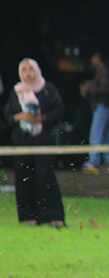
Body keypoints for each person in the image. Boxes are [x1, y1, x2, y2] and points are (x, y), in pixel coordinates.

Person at [4, 59, 66, 227]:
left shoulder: (48, 89)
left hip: (43, 140)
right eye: (24, 70)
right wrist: (20, 117)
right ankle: (28, 217)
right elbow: (8, 116)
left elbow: (59, 109)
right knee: (24, 178)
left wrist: (41, 118)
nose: (28, 73)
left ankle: (52, 216)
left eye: (31, 69)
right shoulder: (16, 92)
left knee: (45, 177)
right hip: (22, 141)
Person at [81, 51, 109, 174]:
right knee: (106, 135)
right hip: (105, 106)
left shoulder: (105, 71)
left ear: (98, 58)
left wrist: (89, 88)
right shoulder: (102, 71)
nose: (92, 60)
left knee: (96, 134)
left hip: (103, 105)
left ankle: (93, 163)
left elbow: (105, 89)